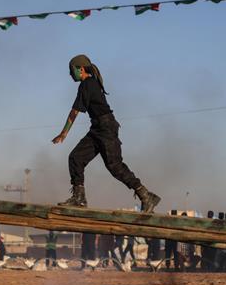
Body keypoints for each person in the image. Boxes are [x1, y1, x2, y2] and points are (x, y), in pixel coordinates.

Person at [53, 54, 160, 212]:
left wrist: (64, 133)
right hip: (97, 128)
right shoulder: (89, 84)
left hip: (106, 128)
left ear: (80, 69)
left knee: (115, 166)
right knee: (76, 158)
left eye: (71, 71)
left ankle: (146, 195)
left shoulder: (87, 84)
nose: (70, 74)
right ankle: (79, 198)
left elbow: (75, 111)